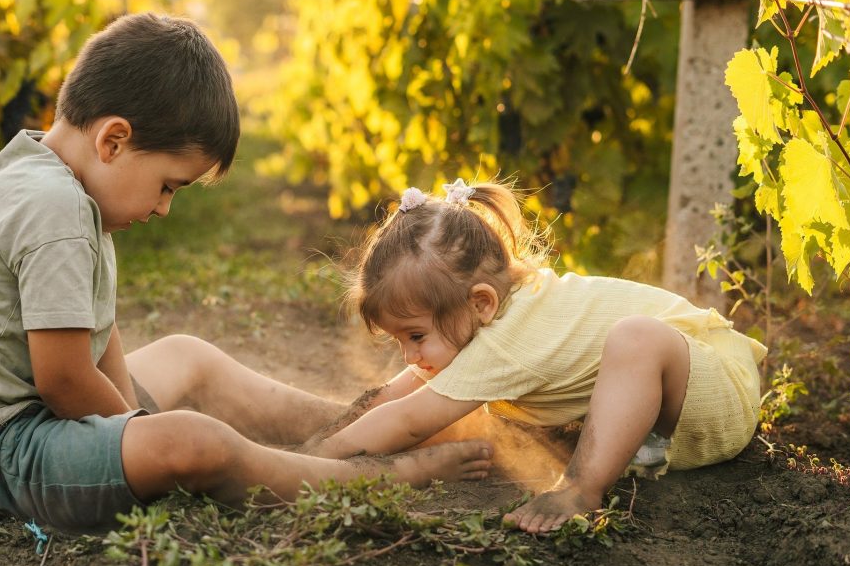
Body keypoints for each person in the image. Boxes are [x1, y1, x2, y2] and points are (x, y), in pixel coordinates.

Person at [0, 14, 493, 534]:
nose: (164, 207)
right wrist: (135, 433)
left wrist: (128, 425)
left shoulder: (52, 178)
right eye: (167, 186)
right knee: (193, 441)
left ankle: (361, 431)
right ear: (114, 140)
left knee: (190, 357)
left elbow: (96, 332)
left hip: (31, 417)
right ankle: (379, 476)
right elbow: (62, 380)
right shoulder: (54, 208)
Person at [303, 178, 767, 534]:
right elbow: (399, 393)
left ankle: (580, 489)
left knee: (635, 338)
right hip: (688, 383)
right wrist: (339, 428)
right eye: (398, 339)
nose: (410, 354)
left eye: (416, 335)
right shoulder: (488, 312)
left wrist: (320, 456)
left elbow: (409, 420)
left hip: (715, 392)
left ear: (481, 302)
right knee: (628, 344)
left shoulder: (508, 339)